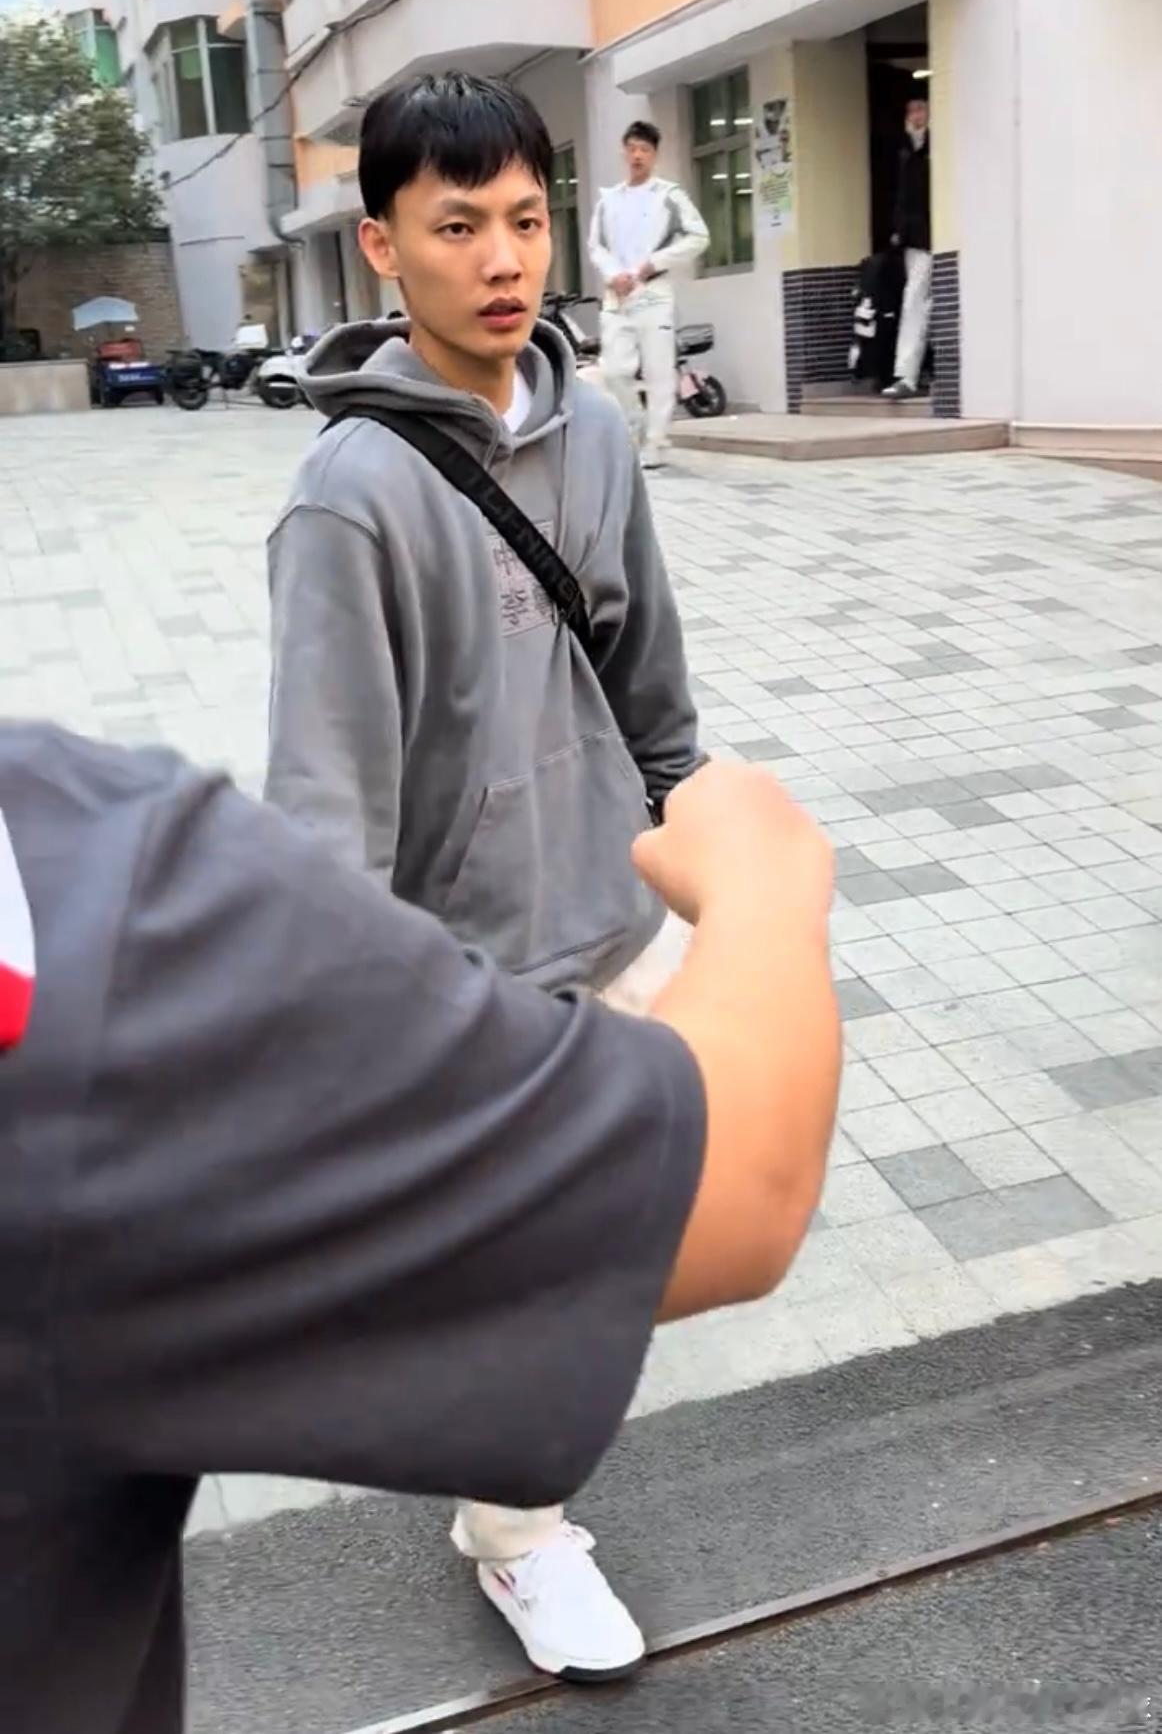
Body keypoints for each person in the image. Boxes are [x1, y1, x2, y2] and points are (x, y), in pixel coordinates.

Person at [0, 732, 840, 1734]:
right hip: (500, 946)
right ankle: (515, 1539)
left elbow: (639, 689)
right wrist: (762, 875)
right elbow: (738, 1181)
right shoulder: (91, 896)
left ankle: (519, 1534)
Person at [265, 71, 706, 1681]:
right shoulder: (350, 496)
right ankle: (517, 1532)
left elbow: (648, 675)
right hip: (465, 971)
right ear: (384, 245)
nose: (504, 257)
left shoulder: (595, 430)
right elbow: (324, 793)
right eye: (457, 226)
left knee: (609, 1242)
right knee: (529, 1261)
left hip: (618, 918)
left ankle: (499, 1449)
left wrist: (692, 845)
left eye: (525, 218)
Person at [589, 120, 710, 468]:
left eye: (644, 149)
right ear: (624, 152)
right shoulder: (608, 200)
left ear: (654, 154)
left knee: (658, 371)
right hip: (617, 295)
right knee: (614, 370)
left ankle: (657, 442)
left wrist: (654, 263)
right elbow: (596, 245)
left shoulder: (669, 196)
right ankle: (635, 429)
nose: (637, 156)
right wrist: (613, 274)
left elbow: (699, 236)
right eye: (632, 149)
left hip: (654, 291)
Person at [884, 95, 932, 401]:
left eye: (921, 108)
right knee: (914, 299)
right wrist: (899, 230)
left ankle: (915, 373)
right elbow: (900, 194)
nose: (916, 115)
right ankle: (907, 375)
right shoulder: (903, 149)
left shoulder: (935, 145)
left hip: (939, 231)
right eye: (911, 110)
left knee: (921, 301)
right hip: (916, 238)